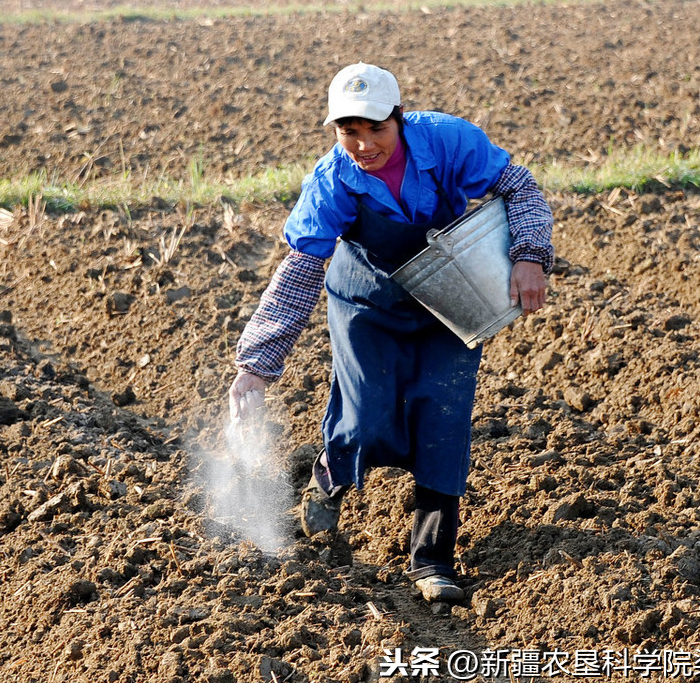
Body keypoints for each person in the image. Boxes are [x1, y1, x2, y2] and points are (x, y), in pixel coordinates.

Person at [228, 63, 553, 603]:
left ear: (398, 119)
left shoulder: (448, 142)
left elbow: (518, 186)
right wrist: (255, 367)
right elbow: (301, 270)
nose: (363, 145)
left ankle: (432, 560)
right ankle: (331, 476)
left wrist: (530, 256)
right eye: (348, 132)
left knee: (442, 416)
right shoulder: (332, 180)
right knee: (366, 413)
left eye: (375, 129)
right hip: (365, 302)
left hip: (447, 297)